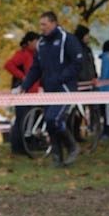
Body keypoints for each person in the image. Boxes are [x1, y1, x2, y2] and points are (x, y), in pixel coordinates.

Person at [19, 11, 83, 167]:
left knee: (53, 119)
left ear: (53, 23)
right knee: (50, 123)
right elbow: (36, 68)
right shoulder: (41, 43)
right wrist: (25, 85)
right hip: (49, 89)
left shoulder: (67, 39)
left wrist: (61, 78)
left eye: (44, 24)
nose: (42, 28)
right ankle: (57, 156)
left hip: (65, 88)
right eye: (40, 25)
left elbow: (77, 62)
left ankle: (72, 147)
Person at [4, 31, 39, 155]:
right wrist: (23, 77)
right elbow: (8, 65)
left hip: (33, 92)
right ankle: (18, 147)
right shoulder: (23, 54)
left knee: (29, 119)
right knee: (21, 119)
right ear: (29, 42)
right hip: (24, 92)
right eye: (36, 41)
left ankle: (27, 144)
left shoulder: (35, 55)